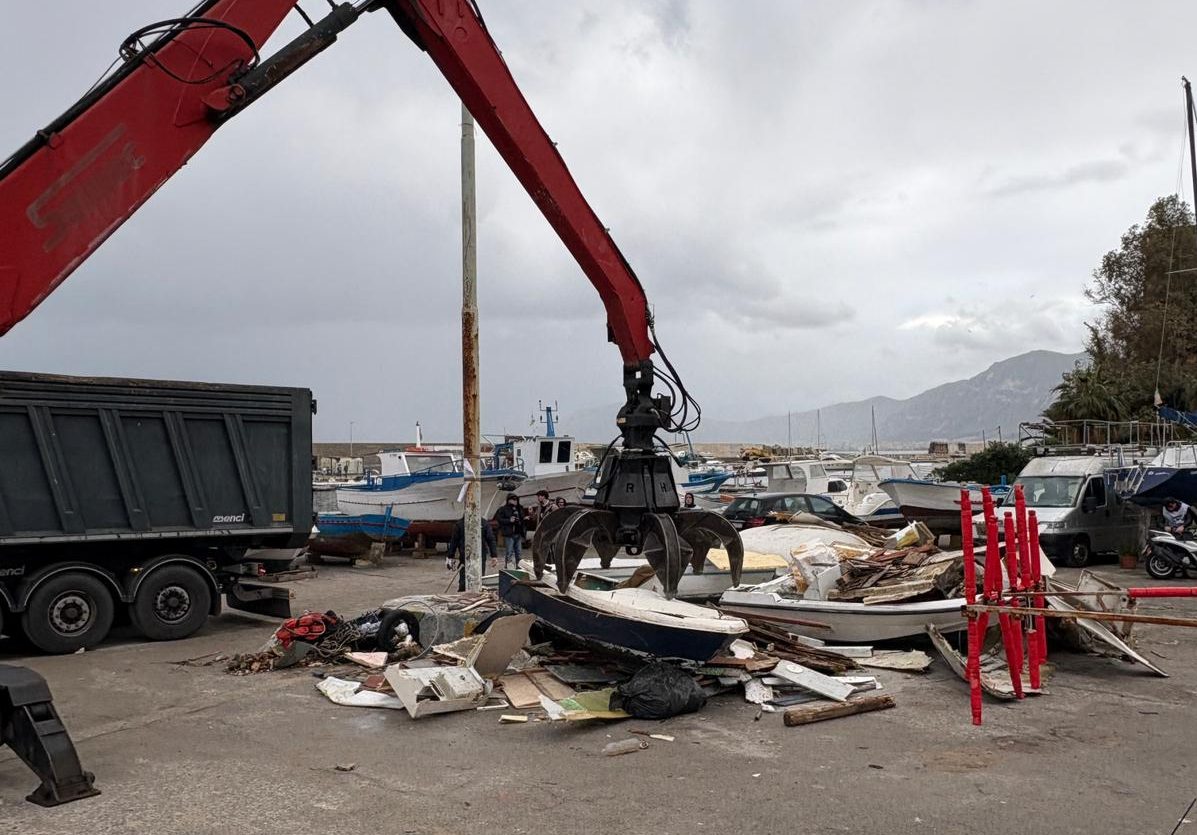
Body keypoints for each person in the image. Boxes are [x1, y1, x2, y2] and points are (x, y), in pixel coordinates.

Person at [446, 516, 498, 591]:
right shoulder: (462, 524)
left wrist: (494, 555)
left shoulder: (482, 523)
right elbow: (454, 541)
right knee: (467, 581)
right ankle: (465, 592)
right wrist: (450, 556)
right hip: (467, 557)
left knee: (477, 581)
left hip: (476, 557)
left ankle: (471, 592)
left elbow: (490, 539)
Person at [494, 493, 526, 567]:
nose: (515, 501)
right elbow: (499, 519)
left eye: (516, 499)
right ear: (508, 500)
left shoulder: (519, 508)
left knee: (519, 552)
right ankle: (508, 567)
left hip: (518, 532)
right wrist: (509, 520)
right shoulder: (503, 509)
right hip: (509, 534)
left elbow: (522, 518)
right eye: (513, 499)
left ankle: (519, 567)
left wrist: (522, 519)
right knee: (509, 552)